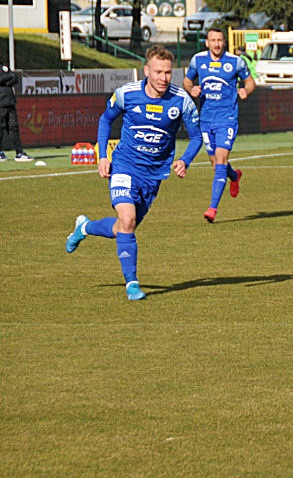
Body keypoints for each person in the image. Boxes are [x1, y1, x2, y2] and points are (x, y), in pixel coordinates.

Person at [64, 45, 202, 301]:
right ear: (146, 70)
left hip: (153, 176)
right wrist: (102, 155)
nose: (164, 78)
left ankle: (84, 228)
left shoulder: (181, 100)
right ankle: (132, 285)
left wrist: (185, 160)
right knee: (127, 220)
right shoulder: (127, 94)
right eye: (159, 72)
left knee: (122, 228)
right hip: (125, 166)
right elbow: (106, 120)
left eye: (168, 72)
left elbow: (196, 137)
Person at [183, 27, 255, 223]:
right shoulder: (198, 60)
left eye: (220, 40)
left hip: (227, 119)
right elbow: (187, 81)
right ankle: (234, 176)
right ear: (207, 42)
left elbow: (250, 82)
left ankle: (212, 208)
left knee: (221, 160)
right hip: (206, 120)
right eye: (213, 40)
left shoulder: (235, 62)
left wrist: (245, 91)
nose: (217, 44)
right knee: (216, 165)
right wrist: (192, 89)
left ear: (224, 42)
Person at [0, 62, 33, 162]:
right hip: (0, 102)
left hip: (10, 101)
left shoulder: (3, 66)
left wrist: (7, 78)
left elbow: (15, 78)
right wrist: (8, 78)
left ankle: (19, 152)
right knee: (1, 127)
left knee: (14, 127)